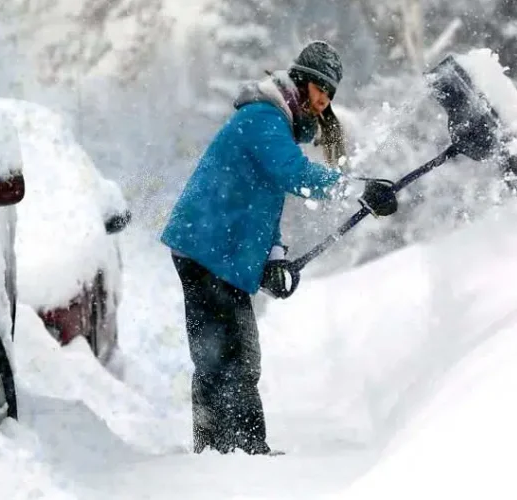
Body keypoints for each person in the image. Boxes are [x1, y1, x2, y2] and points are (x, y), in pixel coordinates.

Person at [160, 41, 399, 455]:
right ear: (302, 82)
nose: (324, 102)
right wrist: (356, 189)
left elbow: (264, 206)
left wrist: (274, 257)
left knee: (225, 353)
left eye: (331, 94)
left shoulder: (273, 122)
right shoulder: (263, 118)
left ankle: (219, 448)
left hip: (217, 250)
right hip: (207, 247)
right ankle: (241, 450)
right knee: (232, 354)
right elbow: (294, 173)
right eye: (321, 89)